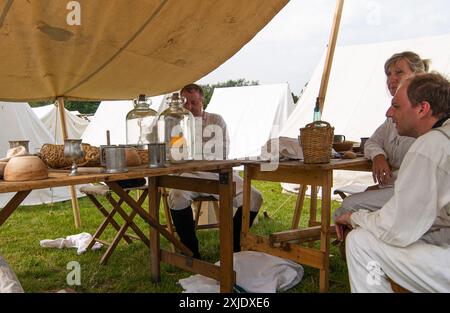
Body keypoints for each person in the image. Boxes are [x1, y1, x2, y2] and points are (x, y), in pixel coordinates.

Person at [335, 72, 450, 292]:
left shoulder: (431, 146)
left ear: (422, 109)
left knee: (360, 242)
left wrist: (355, 218)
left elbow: (396, 228)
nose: (389, 113)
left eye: (396, 106)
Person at [333, 51, 430, 223]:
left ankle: (363, 242)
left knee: (348, 207)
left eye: (399, 72)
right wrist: (378, 156)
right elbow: (372, 141)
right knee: (349, 208)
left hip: (418, 194)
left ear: (418, 75)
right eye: (388, 74)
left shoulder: (425, 112)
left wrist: (382, 185)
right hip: (397, 187)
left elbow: (422, 170)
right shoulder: (392, 116)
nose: (391, 79)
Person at [168, 83, 263, 259]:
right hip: (189, 174)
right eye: (185, 103)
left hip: (218, 173)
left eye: (193, 103)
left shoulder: (216, 120)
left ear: (202, 100)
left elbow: (221, 153)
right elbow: (172, 155)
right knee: (177, 195)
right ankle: (191, 252)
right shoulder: (175, 123)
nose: (188, 107)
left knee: (254, 197)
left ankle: (233, 248)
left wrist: (197, 158)